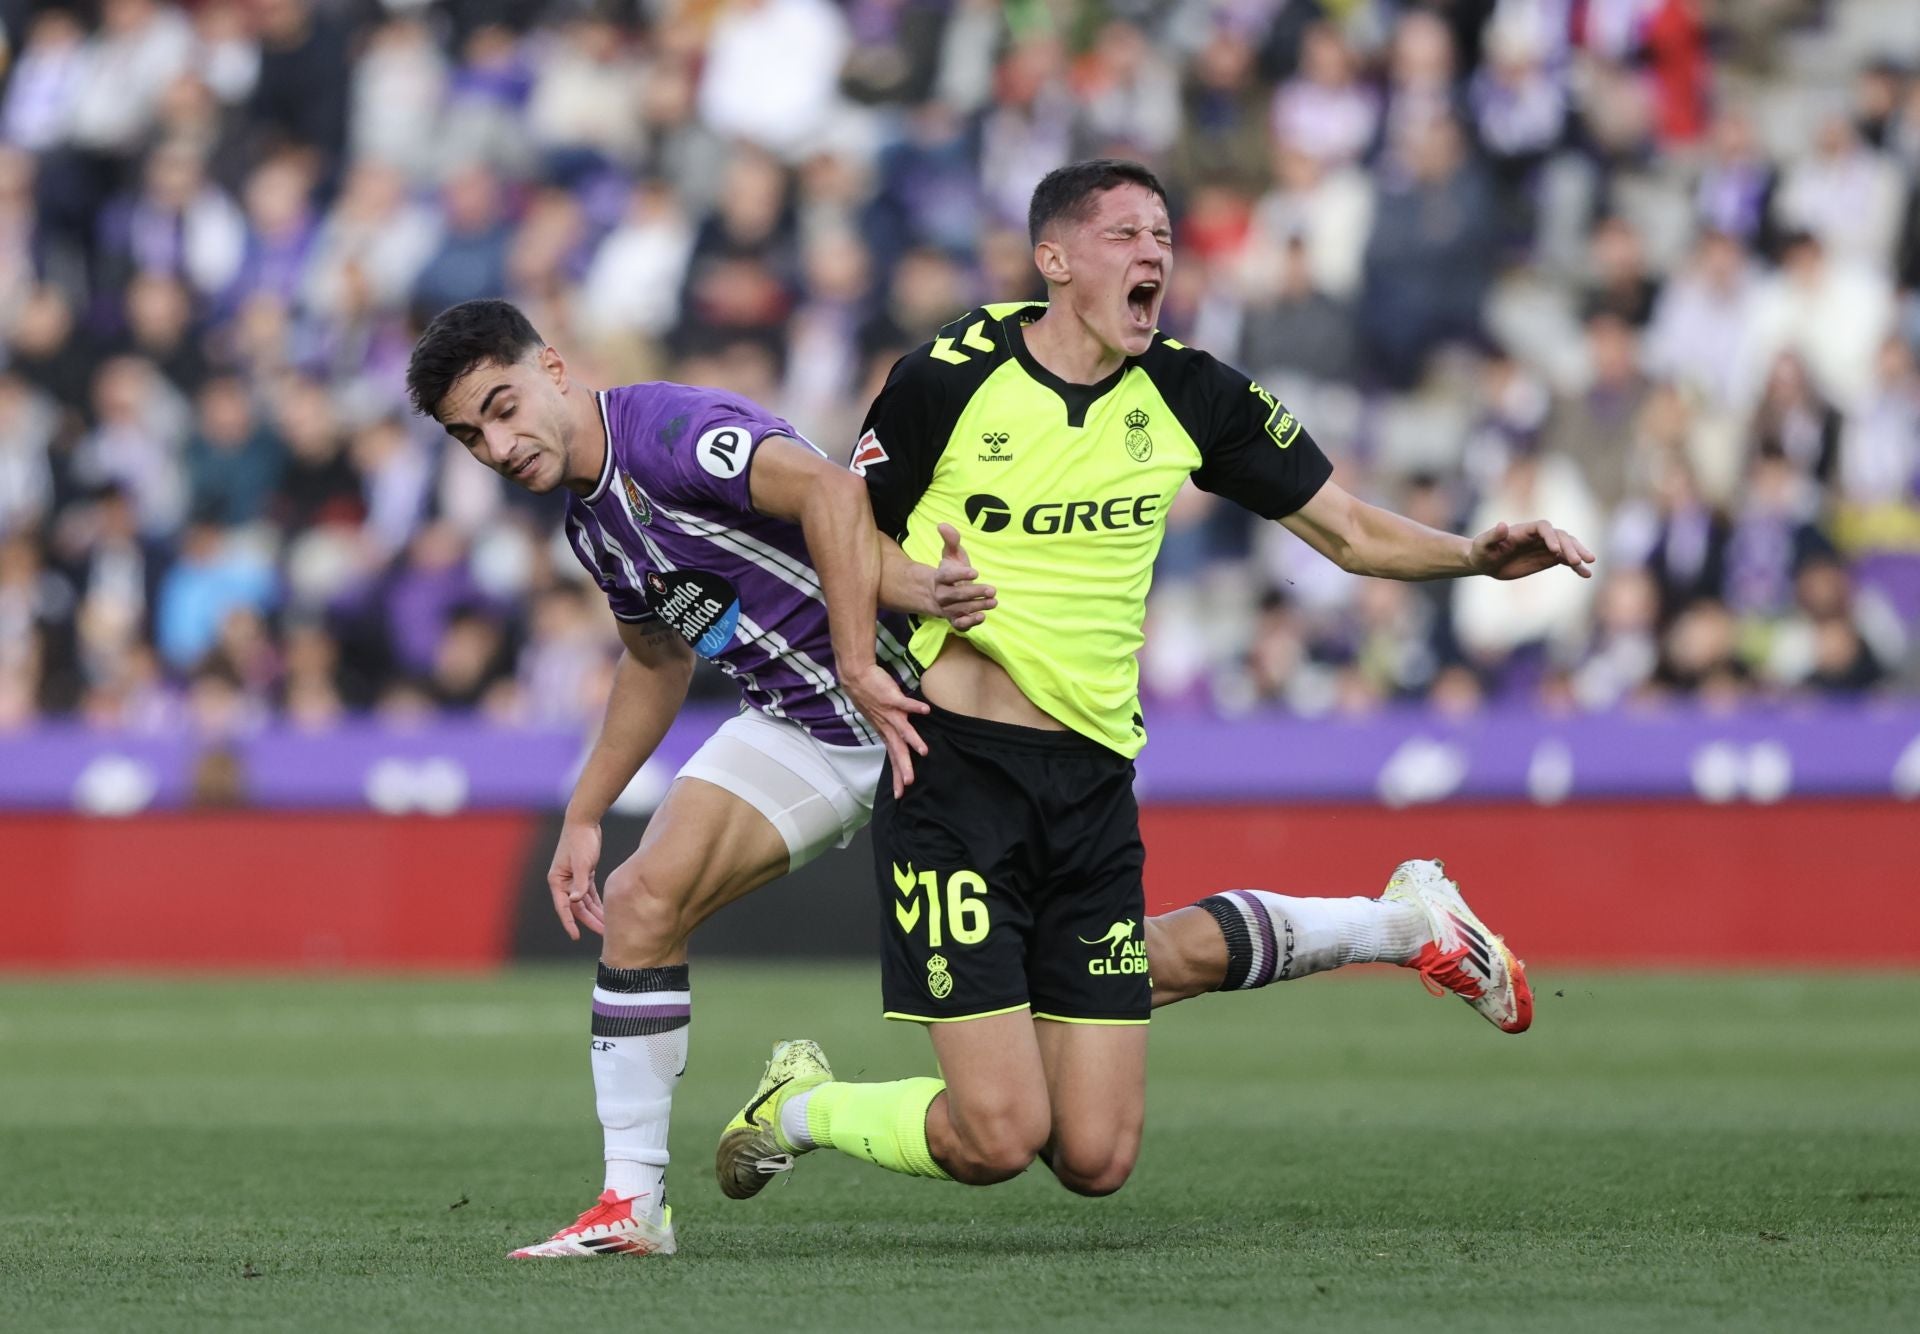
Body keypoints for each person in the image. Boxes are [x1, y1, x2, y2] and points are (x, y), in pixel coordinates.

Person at [408, 288, 1560, 1261]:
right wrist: (585, 808)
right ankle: (632, 1203)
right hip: (813, 724)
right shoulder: (593, 519)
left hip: (930, 712)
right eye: (471, 435)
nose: (499, 444)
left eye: (503, 407)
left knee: (1111, 1023)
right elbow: (656, 653)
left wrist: (884, 621)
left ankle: (1397, 922)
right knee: (645, 896)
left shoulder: (671, 433)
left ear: (554, 369)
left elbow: (826, 489)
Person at [714, 159, 1593, 1204]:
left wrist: (1475, 555)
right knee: (999, 1137)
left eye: (1164, 237)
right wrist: (862, 653)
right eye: (1126, 234)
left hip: (1089, 784)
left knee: (1093, 1157)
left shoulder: (1191, 391)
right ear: (1054, 258)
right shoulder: (947, 377)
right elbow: (837, 520)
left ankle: (1400, 921)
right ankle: (798, 1105)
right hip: (954, 779)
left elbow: (1348, 529)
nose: (1155, 255)